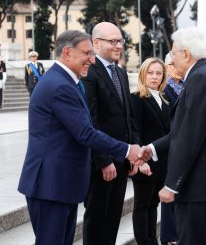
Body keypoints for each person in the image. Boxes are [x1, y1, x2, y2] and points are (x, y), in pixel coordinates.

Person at [17, 30, 144, 245]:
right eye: (87, 53)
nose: (92, 60)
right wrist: (126, 149)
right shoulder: (58, 85)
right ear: (67, 52)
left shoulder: (68, 81)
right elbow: (85, 133)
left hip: (62, 184)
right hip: (51, 184)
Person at [141, 27, 206, 245]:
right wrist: (153, 148)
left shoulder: (200, 79)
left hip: (198, 187)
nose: (171, 61)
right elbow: (186, 130)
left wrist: (172, 184)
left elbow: (191, 136)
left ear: (186, 53)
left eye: (173, 54)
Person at [82, 22, 139, 245]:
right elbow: (91, 121)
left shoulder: (120, 72)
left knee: (113, 217)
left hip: (123, 160)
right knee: (97, 219)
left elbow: (129, 117)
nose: (118, 46)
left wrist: (134, 153)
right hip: (103, 164)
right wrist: (103, 160)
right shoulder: (89, 73)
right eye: (112, 41)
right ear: (96, 43)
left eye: (120, 41)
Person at [131, 57, 170, 245]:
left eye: (158, 73)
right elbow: (135, 131)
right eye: (150, 72)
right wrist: (141, 161)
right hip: (145, 160)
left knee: (154, 204)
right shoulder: (137, 98)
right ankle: (143, 241)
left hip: (162, 162)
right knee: (142, 204)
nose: (154, 77)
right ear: (143, 74)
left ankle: (152, 239)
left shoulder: (165, 99)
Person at [159, 53, 182, 245]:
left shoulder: (183, 85)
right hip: (169, 147)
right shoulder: (166, 89)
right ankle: (169, 236)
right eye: (174, 64)